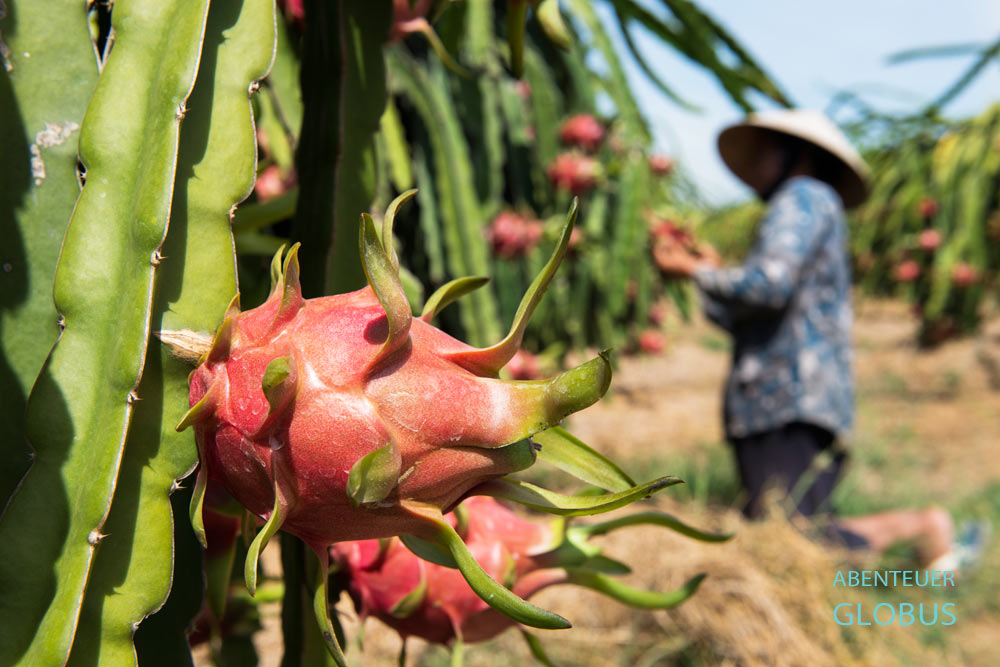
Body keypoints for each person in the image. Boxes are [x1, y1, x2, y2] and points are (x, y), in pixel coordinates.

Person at [653, 109, 965, 570]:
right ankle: (919, 533)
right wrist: (711, 274)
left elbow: (769, 284)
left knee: (791, 534)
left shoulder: (800, 197)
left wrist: (696, 271)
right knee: (792, 525)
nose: (755, 163)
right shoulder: (812, 204)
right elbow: (753, 313)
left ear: (793, 154)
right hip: (790, 397)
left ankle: (923, 526)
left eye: (764, 151)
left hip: (787, 396)